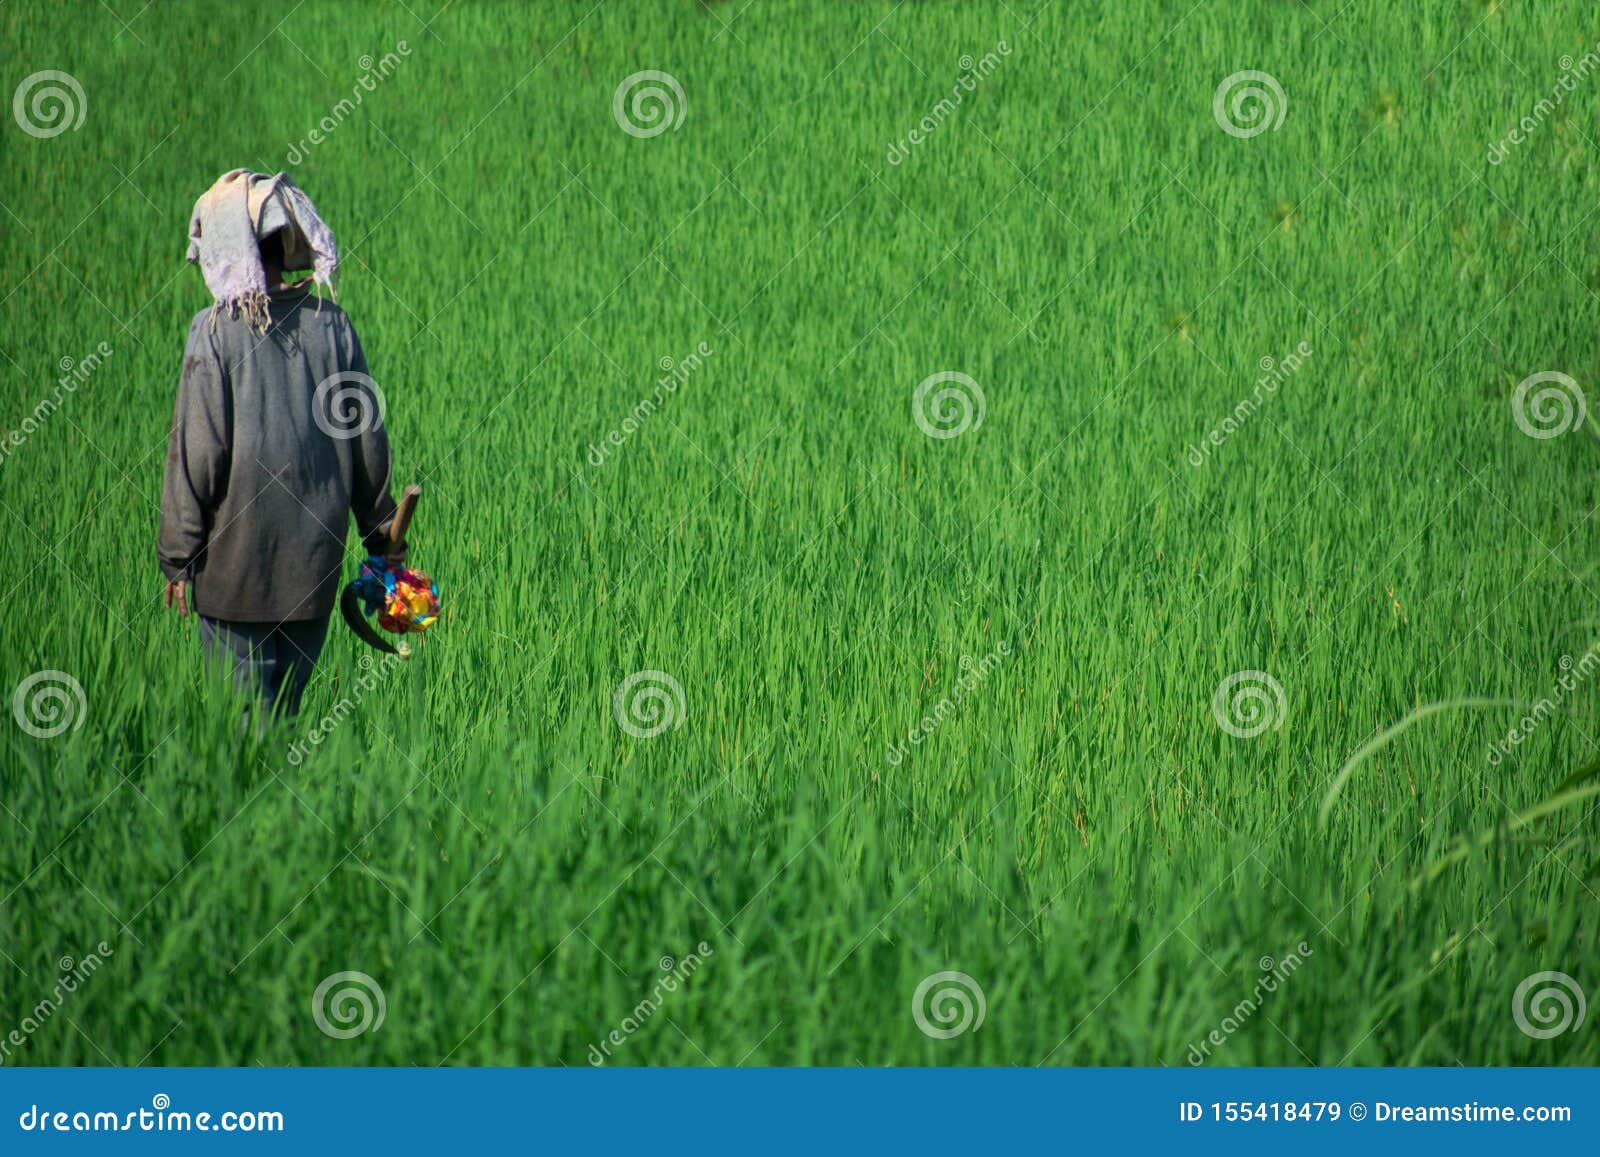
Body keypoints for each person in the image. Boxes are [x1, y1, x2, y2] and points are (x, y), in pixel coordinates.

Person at [158, 170, 403, 716]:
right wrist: (384, 538)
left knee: (245, 735)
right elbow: (366, 440)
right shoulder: (331, 327)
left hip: (233, 570)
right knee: (285, 722)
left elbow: (197, 453)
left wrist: (178, 556)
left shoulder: (215, 332)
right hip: (311, 570)